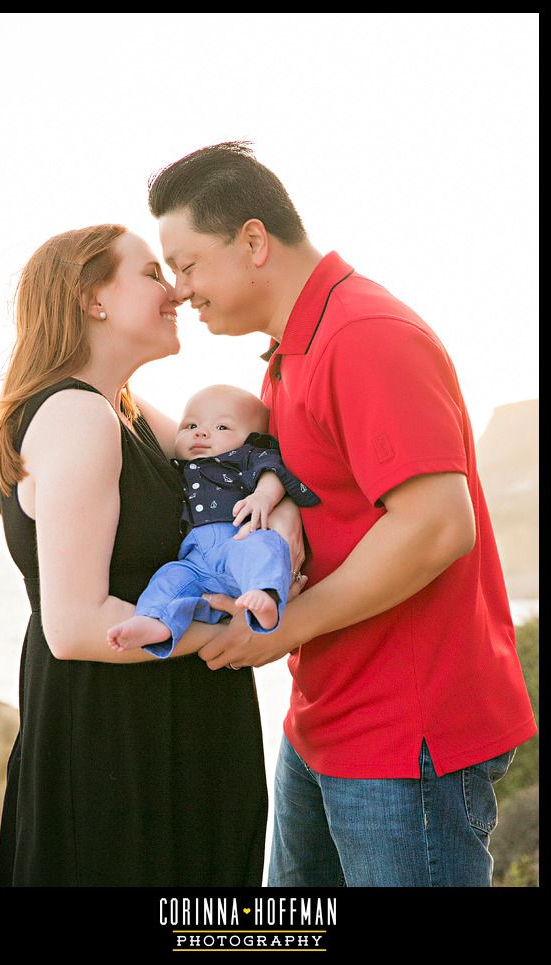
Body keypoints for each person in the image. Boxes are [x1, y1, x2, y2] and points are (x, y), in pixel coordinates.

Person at [146, 141, 537, 888]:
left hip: (406, 738)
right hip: (328, 711)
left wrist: (287, 625)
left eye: (188, 264)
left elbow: (436, 525)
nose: (180, 290)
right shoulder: (292, 350)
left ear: (253, 241)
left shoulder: (363, 335)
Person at [0, 223, 305, 887]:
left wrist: (284, 508)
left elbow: (241, 459)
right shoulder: (78, 417)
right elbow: (73, 627)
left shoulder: (122, 410)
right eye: (153, 273)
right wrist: (233, 632)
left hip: (166, 732)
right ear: (91, 298)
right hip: (120, 746)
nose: (176, 292)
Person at [106, 383, 319, 656]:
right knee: (170, 577)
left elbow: (272, 471)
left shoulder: (245, 457)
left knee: (263, 547)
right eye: (190, 425)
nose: (201, 432)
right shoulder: (176, 468)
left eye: (222, 427)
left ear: (253, 439)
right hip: (196, 562)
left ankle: (265, 596)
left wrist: (264, 496)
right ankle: (155, 621)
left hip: (239, 542)